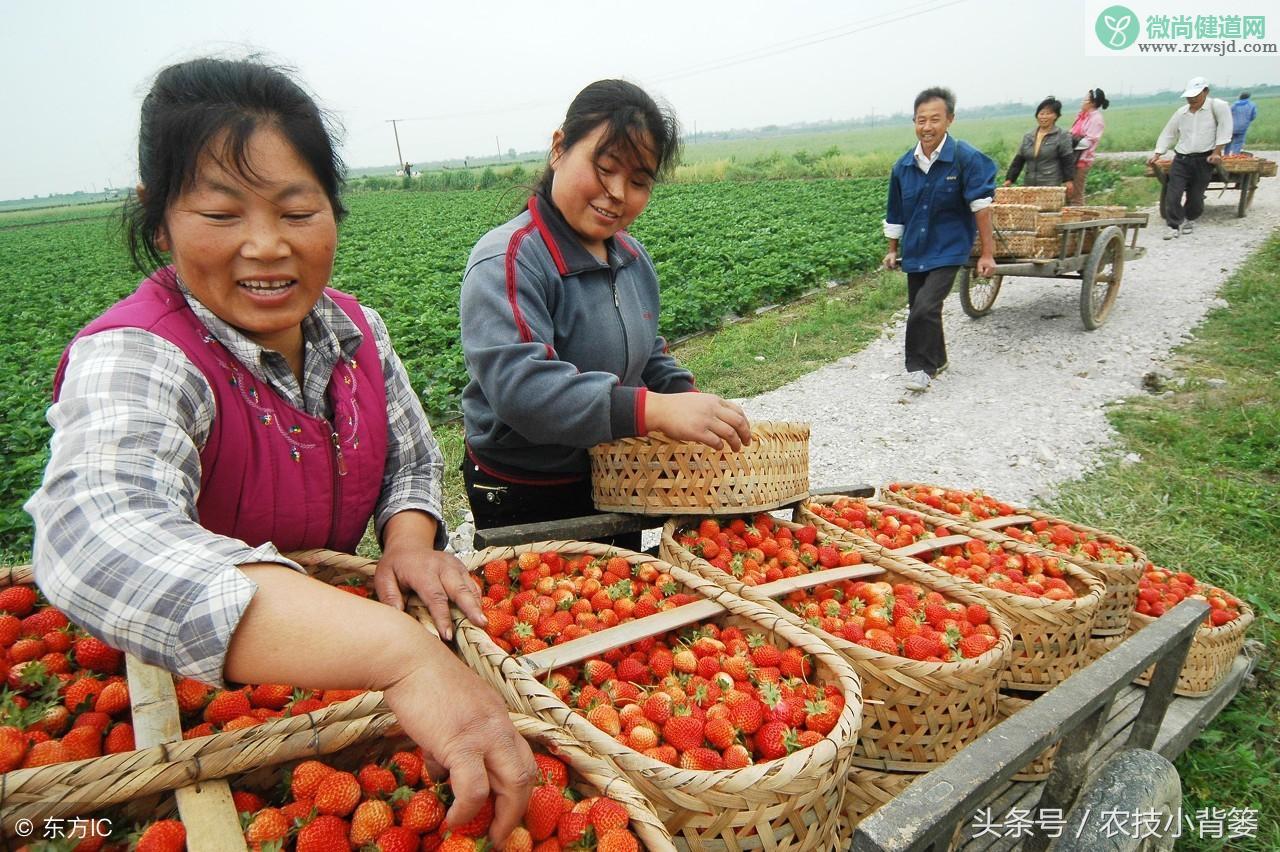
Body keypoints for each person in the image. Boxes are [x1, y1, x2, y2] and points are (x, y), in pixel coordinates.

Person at [24, 58, 534, 844]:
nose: (266, 246)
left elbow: (412, 458)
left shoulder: (356, 331)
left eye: (297, 210)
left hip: (320, 683)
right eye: (222, 215)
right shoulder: (141, 354)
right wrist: (401, 654)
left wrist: (406, 539)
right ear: (157, 219)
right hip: (184, 696)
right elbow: (94, 533)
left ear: (332, 208)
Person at [459, 79, 751, 541]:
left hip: (615, 477)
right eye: (605, 167)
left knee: (624, 599)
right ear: (559, 148)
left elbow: (647, 353)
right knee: (550, 606)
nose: (617, 192)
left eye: (638, 182)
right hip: (525, 489)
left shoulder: (631, 257)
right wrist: (652, 410)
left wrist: (692, 402)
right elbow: (522, 390)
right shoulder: (511, 258)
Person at [882, 87, 997, 393]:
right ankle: (941, 358)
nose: (927, 127)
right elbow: (895, 211)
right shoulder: (903, 166)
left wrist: (987, 254)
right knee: (920, 306)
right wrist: (892, 250)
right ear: (914, 122)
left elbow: (981, 208)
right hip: (917, 249)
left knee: (924, 308)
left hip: (950, 247)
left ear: (950, 120)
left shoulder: (965, 159)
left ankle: (920, 368)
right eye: (921, 120)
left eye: (935, 119)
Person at [1148, 76, 1233, 240]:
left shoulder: (1218, 107)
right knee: (1173, 194)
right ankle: (1173, 225)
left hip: (1204, 159)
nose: (1191, 99)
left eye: (1195, 95)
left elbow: (1225, 130)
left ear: (1206, 92)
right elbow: (1168, 133)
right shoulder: (1182, 113)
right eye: (1189, 96)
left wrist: (1217, 152)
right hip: (1181, 159)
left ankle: (1189, 219)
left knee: (1196, 196)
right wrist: (1157, 154)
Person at [1003, 96, 1075, 196]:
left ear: (1056, 116)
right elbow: (1018, 161)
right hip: (1029, 185)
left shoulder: (1062, 135)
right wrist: (1009, 179)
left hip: (1050, 185)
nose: (1043, 117)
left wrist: (1069, 181)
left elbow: (1067, 161)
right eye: (1041, 113)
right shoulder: (1028, 136)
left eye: (1048, 113)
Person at [1068, 88, 1110, 205]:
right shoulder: (1082, 116)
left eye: (1085, 99)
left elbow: (1088, 141)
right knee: (1069, 192)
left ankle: (1078, 218)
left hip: (1082, 160)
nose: (1082, 101)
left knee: (1076, 194)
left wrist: (1069, 146)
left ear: (1091, 103)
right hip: (1072, 159)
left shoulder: (1096, 119)